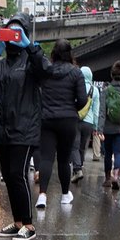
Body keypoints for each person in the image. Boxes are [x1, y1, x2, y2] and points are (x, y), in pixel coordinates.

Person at [0, 13, 59, 240]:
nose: (13, 36)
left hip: (24, 127)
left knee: (18, 174)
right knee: (9, 176)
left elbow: (47, 71)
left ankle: (29, 225)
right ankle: (18, 222)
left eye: (17, 31)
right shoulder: (0, 64)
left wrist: (30, 46)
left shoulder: (31, 62)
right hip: (2, 129)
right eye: (9, 31)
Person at [36, 39, 86, 209]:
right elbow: (83, 99)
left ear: (54, 53)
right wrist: (72, 108)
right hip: (68, 120)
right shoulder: (76, 72)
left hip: (47, 119)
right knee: (64, 160)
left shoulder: (46, 71)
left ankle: (42, 195)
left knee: (46, 158)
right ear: (70, 53)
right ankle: (65, 195)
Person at [100, 60, 120, 190]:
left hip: (108, 128)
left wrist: (99, 129)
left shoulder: (106, 90)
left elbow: (102, 112)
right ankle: (116, 175)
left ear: (112, 75)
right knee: (118, 153)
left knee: (108, 154)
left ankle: (107, 178)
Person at [73, 65, 99, 183]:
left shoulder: (77, 87)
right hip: (89, 122)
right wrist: (96, 126)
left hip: (76, 119)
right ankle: (80, 166)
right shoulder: (95, 90)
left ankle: (77, 168)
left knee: (75, 145)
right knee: (83, 147)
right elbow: (96, 110)